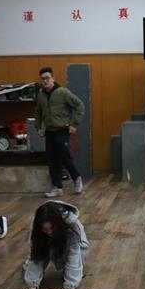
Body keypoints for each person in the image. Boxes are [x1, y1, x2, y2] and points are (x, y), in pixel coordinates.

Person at [35, 66, 85, 198]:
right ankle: (57, 187)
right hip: (49, 132)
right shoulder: (40, 95)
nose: (45, 81)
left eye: (47, 78)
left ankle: (77, 178)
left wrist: (74, 124)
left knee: (65, 157)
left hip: (62, 131)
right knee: (52, 161)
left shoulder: (63, 92)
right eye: (42, 79)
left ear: (53, 78)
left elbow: (79, 105)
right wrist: (39, 127)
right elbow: (38, 112)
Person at [22, 201, 89, 289]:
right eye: (45, 229)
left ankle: (73, 275)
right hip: (49, 242)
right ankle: (31, 274)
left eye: (52, 228)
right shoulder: (35, 228)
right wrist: (32, 286)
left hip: (78, 246)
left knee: (73, 258)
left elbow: (73, 256)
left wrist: (69, 286)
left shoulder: (72, 226)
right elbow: (36, 254)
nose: (49, 232)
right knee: (39, 252)